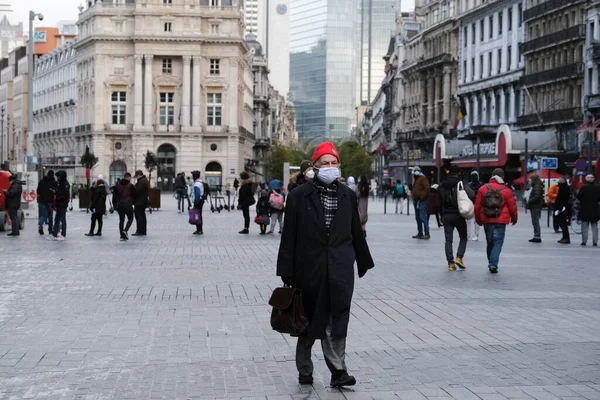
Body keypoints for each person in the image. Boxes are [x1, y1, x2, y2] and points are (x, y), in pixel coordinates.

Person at [277, 142, 374, 388]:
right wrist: (286, 270)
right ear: (315, 167)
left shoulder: (347, 195)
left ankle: (338, 371)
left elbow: (355, 230)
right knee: (308, 319)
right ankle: (305, 369)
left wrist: (362, 261)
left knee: (338, 319)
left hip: (340, 267)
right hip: (309, 268)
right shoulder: (299, 196)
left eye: (334, 163)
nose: (330, 167)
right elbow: (289, 235)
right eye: (324, 164)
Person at [474, 168, 518, 274]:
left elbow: (477, 206)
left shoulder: (483, 189)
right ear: (502, 177)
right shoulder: (506, 190)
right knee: (497, 243)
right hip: (500, 220)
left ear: (492, 176)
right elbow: (513, 207)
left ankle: (491, 261)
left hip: (487, 219)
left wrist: (478, 219)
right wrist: (514, 218)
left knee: (490, 243)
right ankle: (493, 264)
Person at [438, 166, 476, 271]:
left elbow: (438, 202)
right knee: (463, 237)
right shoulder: (461, 184)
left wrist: (441, 215)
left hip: (446, 215)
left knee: (448, 240)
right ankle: (459, 257)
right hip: (458, 215)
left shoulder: (442, 185)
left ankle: (450, 263)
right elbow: (472, 195)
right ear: (458, 173)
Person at [577, 174, 600, 246]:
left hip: (585, 209)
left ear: (586, 180)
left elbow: (579, 197)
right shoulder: (598, 187)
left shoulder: (584, 187)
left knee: (584, 227)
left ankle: (584, 241)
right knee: (595, 227)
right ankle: (595, 241)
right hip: (595, 209)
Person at [49, 171, 70, 241]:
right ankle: (55, 234)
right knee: (57, 219)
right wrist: (55, 192)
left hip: (62, 204)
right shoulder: (60, 183)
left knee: (62, 219)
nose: (57, 178)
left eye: (58, 176)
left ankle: (63, 234)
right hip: (59, 204)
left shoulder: (65, 184)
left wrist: (58, 197)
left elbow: (66, 194)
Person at [113, 172, 134, 241]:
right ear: (128, 177)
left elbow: (114, 196)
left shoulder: (117, 185)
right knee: (130, 218)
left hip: (120, 205)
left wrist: (114, 206)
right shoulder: (131, 185)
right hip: (128, 205)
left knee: (121, 220)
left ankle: (122, 236)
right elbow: (134, 195)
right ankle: (125, 230)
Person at [411, 167, 431, 239]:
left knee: (422, 217)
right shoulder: (417, 179)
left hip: (421, 201)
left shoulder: (422, 178)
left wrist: (422, 196)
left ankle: (427, 233)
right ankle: (420, 233)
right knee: (418, 217)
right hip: (416, 200)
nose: (413, 173)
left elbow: (427, 188)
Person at [36, 170, 57, 235]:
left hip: (42, 200)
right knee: (50, 216)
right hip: (50, 201)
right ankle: (50, 230)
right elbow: (56, 192)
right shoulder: (54, 182)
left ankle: (40, 227)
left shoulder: (41, 181)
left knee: (42, 215)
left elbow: (38, 191)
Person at [527, 174, 545, 243]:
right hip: (535, 206)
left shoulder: (536, 186)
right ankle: (536, 235)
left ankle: (537, 236)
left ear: (534, 179)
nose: (530, 180)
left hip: (535, 206)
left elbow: (536, 196)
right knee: (535, 221)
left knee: (535, 221)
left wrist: (530, 200)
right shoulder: (535, 185)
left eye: (531, 179)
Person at [554, 176, 571, 245]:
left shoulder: (565, 188)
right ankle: (564, 237)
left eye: (560, 180)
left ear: (563, 180)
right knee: (561, 223)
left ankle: (566, 238)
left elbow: (563, 199)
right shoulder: (562, 187)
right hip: (560, 208)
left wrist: (560, 208)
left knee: (563, 223)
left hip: (562, 209)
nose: (559, 181)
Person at [132, 170, 149, 236]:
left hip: (139, 201)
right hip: (143, 201)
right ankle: (143, 230)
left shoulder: (141, 182)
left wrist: (133, 189)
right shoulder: (145, 180)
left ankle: (140, 230)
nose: (136, 178)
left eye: (136, 176)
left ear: (139, 175)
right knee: (142, 215)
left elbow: (137, 191)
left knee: (139, 216)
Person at [467, 171, 482, 240]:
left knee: (475, 221)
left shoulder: (480, 184)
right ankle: (469, 234)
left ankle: (475, 234)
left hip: (476, 204)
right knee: (469, 220)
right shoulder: (469, 185)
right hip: (471, 204)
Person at [192, 170, 205, 235]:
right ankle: (199, 229)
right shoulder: (201, 182)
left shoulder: (197, 184)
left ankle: (199, 229)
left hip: (198, 201)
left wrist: (196, 202)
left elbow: (197, 194)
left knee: (197, 215)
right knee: (199, 215)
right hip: (201, 200)